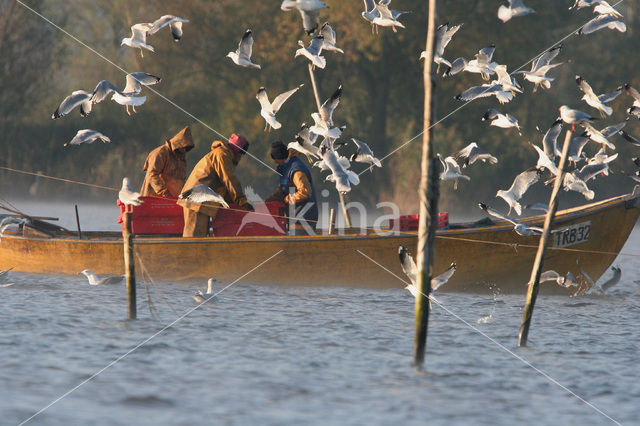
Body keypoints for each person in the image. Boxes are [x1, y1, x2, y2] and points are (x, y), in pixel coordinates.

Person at [178, 134, 254, 237]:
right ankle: (189, 254)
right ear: (238, 150)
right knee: (194, 236)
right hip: (196, 199)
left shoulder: (223, 154)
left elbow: (224, 187)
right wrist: (242, 201)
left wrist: (234, 204)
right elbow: (228, 179)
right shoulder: (222, 154)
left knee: (200, 236)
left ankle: (197, 253)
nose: (241, 156)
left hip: (201, 199)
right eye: (242, 152)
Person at [266, 141, 317, 234]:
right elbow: (282, 190)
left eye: (275, 159)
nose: (275, 162)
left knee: (298, 248)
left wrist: (287, 199)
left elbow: (305, 192)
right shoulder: (285, 169)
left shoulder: (296, 170)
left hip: (304, 219)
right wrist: (267, 202)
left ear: (280, 157)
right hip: (294, 219)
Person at [140, 126, 195, 198]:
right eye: (183, 147)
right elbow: (152, 175)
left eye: (186, 148)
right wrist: (164, 193)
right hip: (153, 198)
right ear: (178, 144)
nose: (184, 150)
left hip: (174, 199)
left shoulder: (181, 158)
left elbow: (181, 180)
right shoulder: (160, 153)